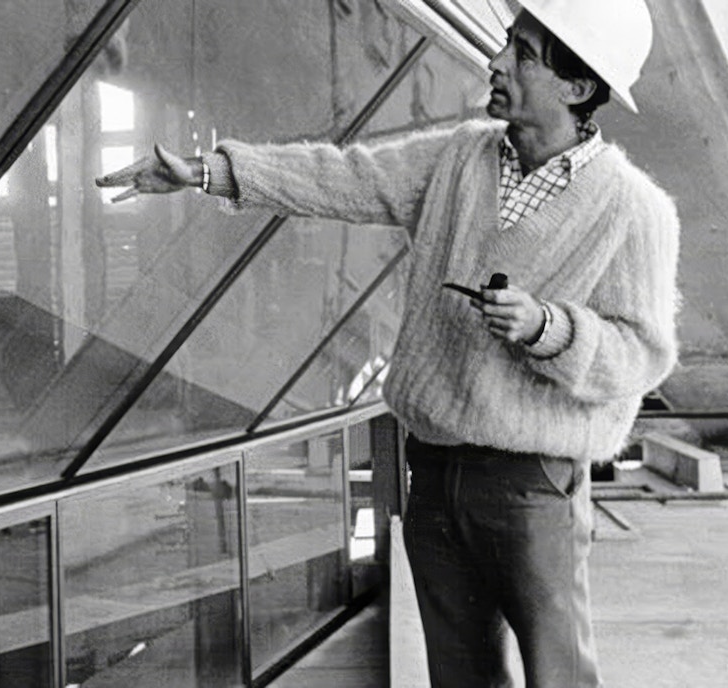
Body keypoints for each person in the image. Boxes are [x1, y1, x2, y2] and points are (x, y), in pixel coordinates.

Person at [97, 0, 677, 685]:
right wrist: (206, 172)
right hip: (431, 469)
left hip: (532, 484)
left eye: (522, 55)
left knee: (560, 676)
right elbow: (344, 178)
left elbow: (641, 354)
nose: (496, 63)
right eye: (507, 44)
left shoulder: (635, 209)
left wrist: (550, 328)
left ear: (577, 87)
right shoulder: (458, 158)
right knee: (459, 675)